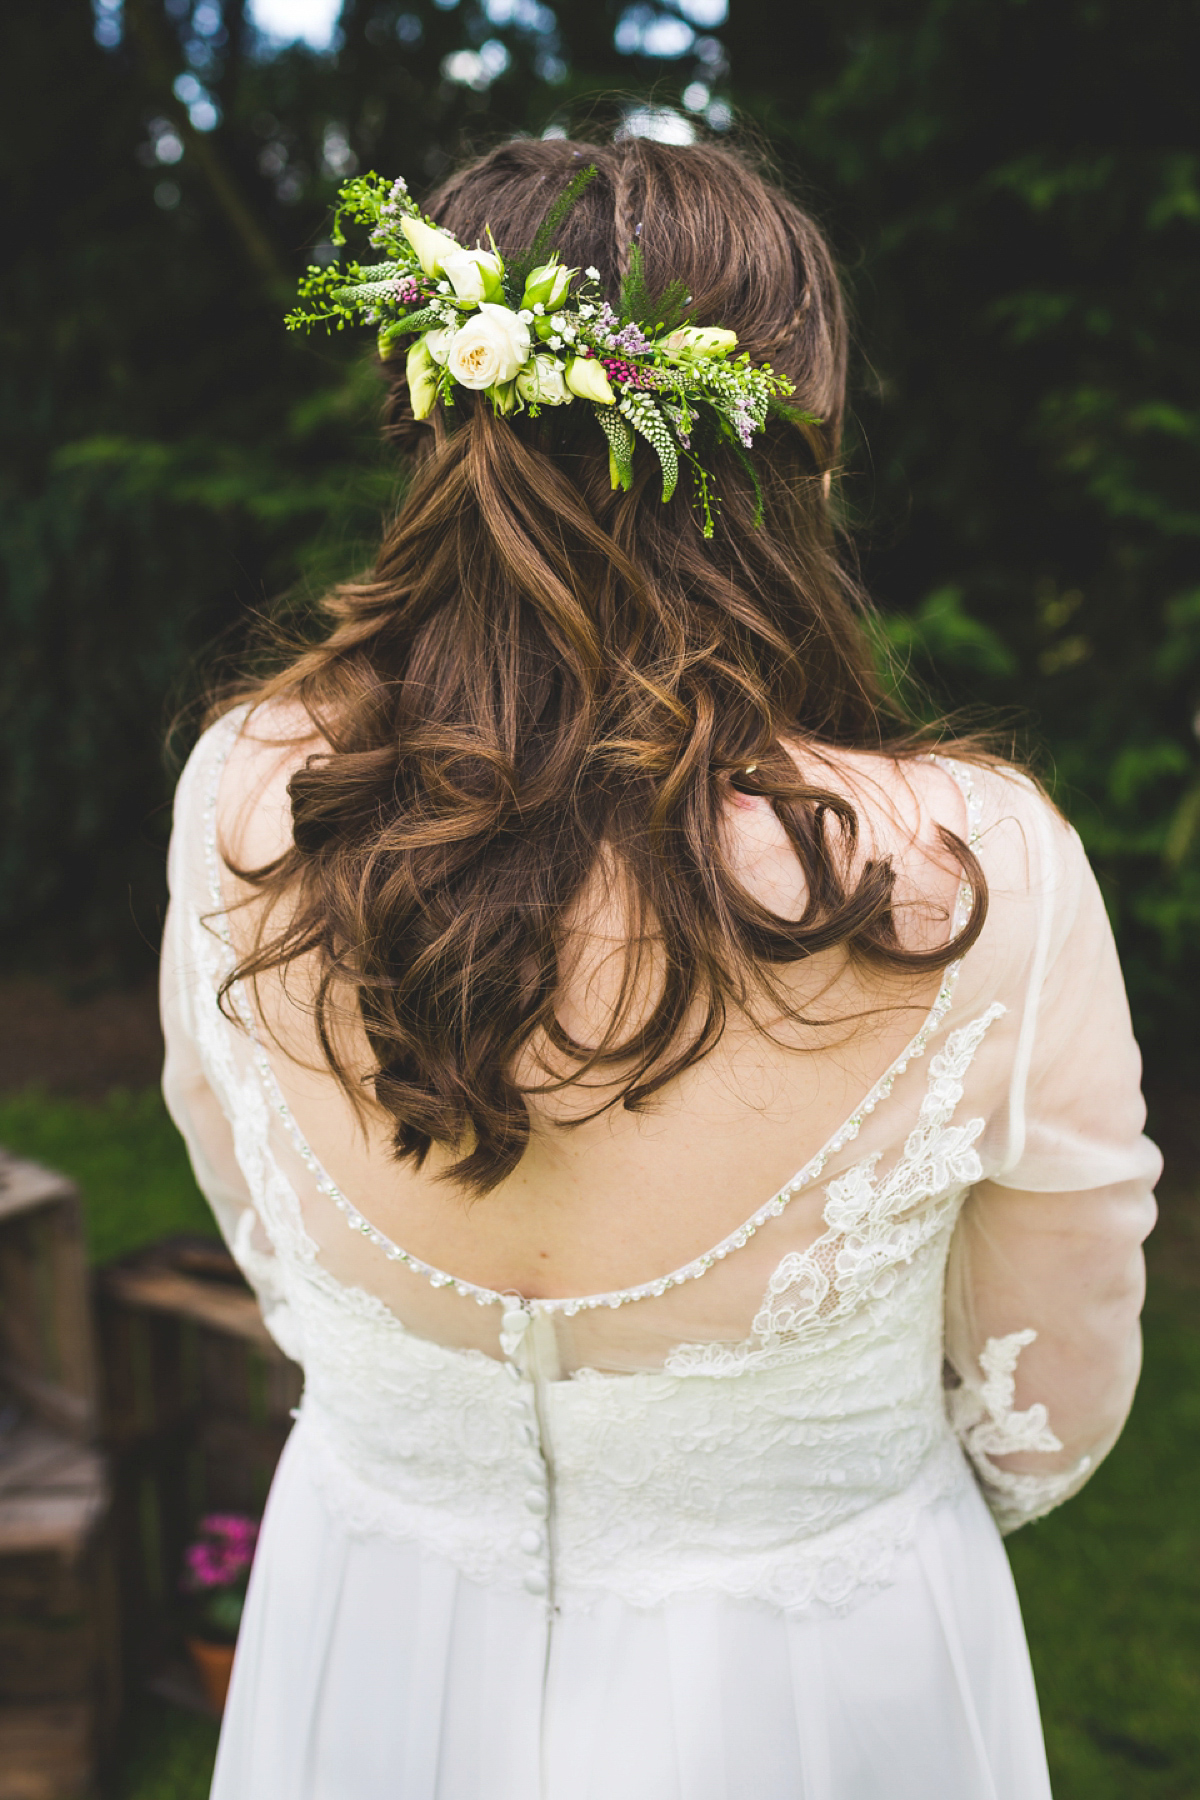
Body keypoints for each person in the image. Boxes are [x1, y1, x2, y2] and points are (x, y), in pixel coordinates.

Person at [160, 136, 1159, 1799]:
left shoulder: (248, 788)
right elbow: (1052, 1395)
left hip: (373, 1624)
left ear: (432, 413)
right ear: (799, 461)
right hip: (817, 1684)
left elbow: (258, 1215)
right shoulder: (971, 875)